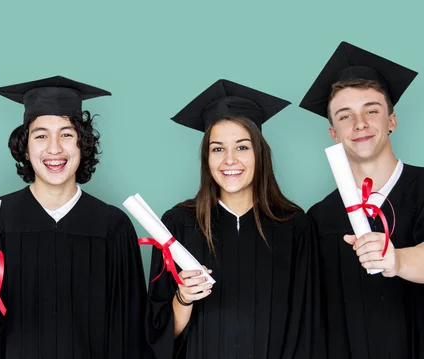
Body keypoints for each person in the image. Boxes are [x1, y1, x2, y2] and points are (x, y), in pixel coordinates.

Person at [0, 76, 149, 358]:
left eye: (67, 134)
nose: (54, 148)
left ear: (82, 144)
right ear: (25, 148)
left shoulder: (113, 226)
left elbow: (130, 334)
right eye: (40, 135)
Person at [146, 79, 325, 359]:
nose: (230, 160)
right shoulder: (179, 224)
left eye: (242, 147)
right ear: (206, 158)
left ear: (260, 153)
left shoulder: (293, 226)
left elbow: (307, 326)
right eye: (218, 148)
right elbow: (157, 335)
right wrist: (184, 297)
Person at [300, 41, 424, 358]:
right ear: (333, 133)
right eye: (345, 116)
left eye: (372, 110)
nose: (360, 124)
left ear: (392, 121)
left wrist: (397, 260)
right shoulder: (319, 218)